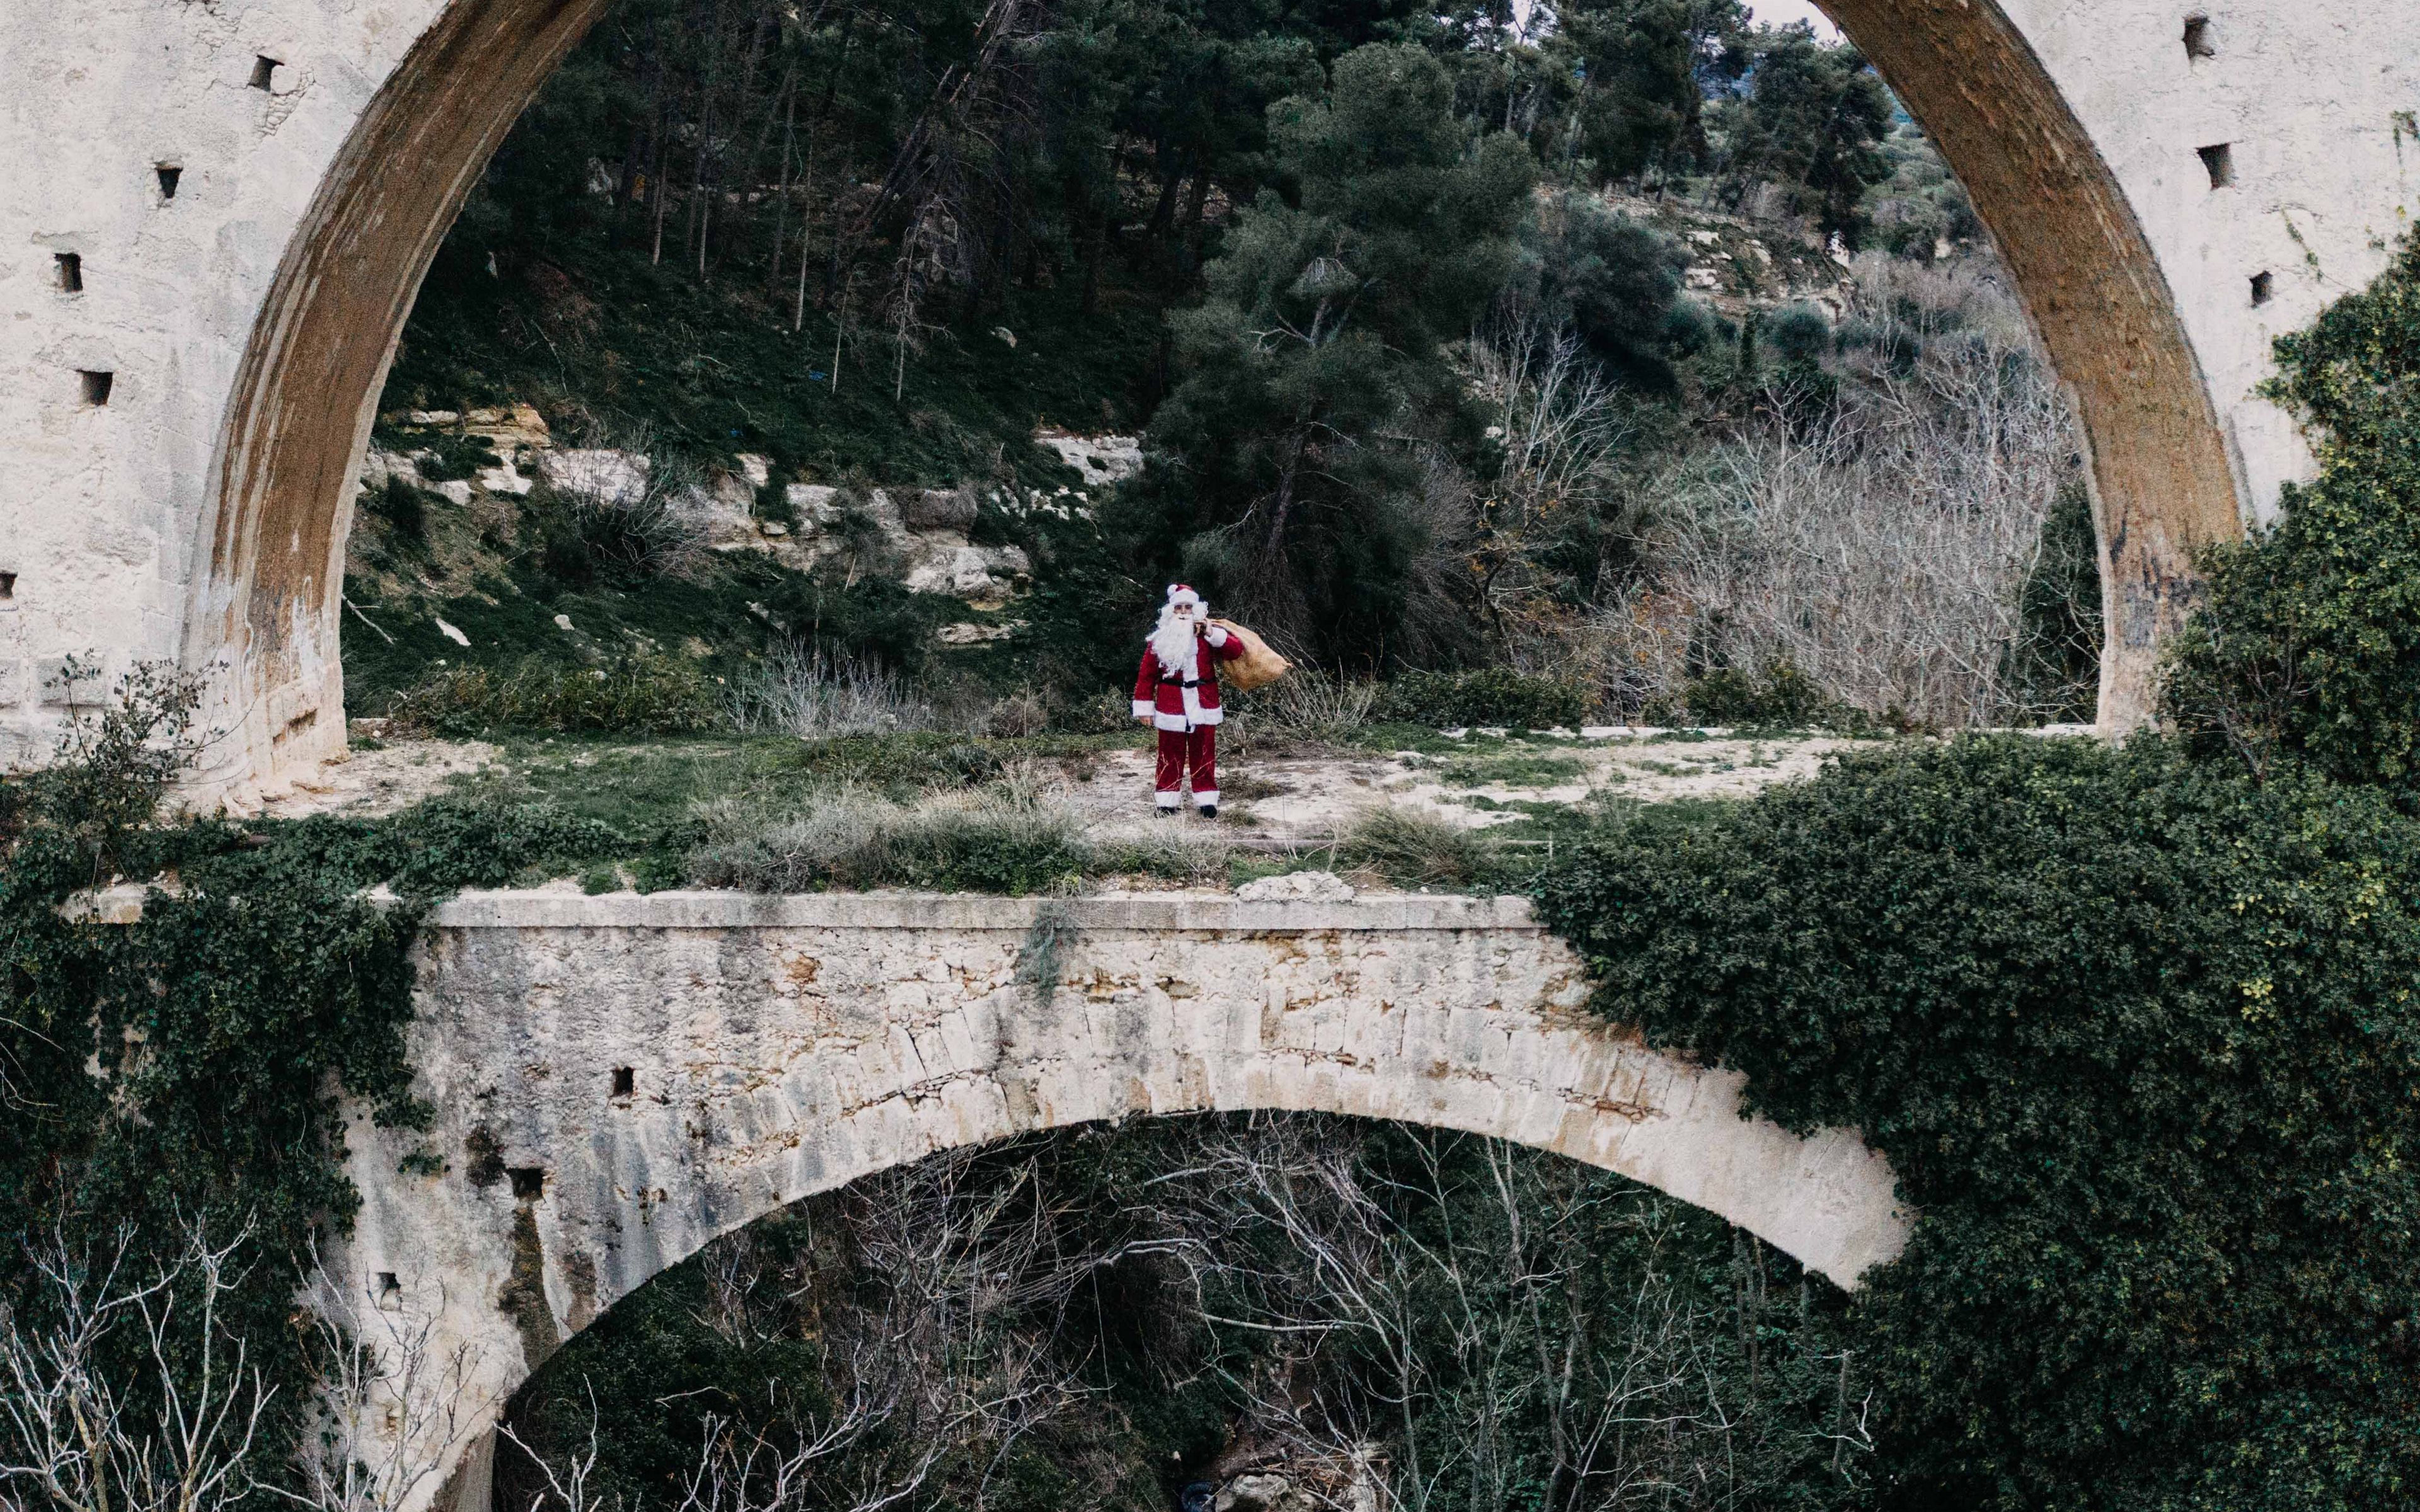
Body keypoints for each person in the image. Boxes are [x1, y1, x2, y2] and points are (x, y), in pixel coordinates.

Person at [1132, 583, 1244, 816]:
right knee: (1169, 754)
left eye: (1188, 607)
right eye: (1179, 607)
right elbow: (1146, 676)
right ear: (1171, 611)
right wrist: (1145, 707)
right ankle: (1166, 801)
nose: (1183, 612)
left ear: (1196, 610)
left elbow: (1235, 651)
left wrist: (1213, 632)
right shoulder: (1160, 640)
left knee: (1203, 752)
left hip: (1203, 703)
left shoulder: (1207, 637)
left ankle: (1206, 801)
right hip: (1171, 706)